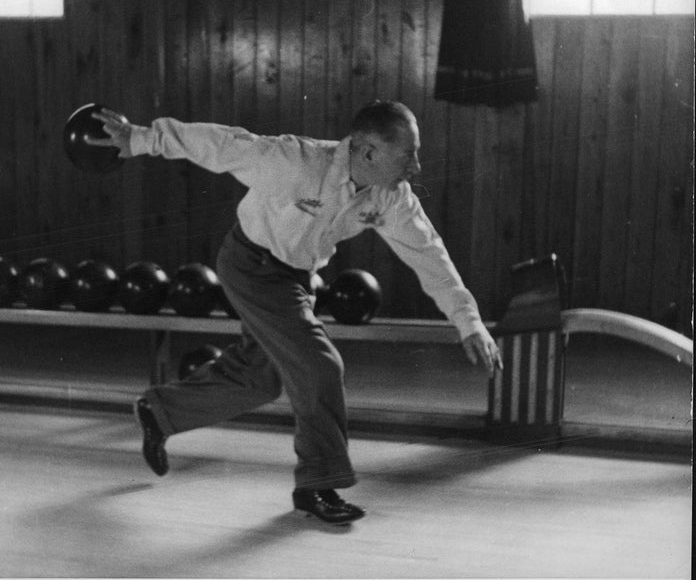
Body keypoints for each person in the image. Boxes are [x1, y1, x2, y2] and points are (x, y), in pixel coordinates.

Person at [87, 100, 503, 525]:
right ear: (369, 152)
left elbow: (429, 255)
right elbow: (222, 143)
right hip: (251, 265)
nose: (415, 166)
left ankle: (160, 412)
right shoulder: (297, 161)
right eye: (407, 154)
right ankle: (317, 485)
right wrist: (139, 138)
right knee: (319, 365)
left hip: (296, 279)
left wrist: (468, 322)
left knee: (261, 379)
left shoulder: (392, 197)